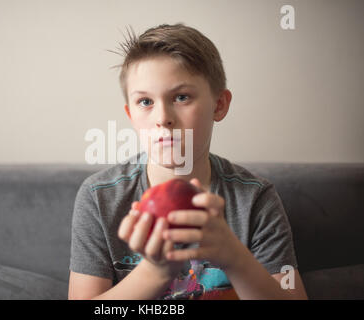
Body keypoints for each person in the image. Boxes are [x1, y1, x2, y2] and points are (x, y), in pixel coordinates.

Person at [68, 23, 308, 300]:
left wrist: (235, 258)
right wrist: (156, 272)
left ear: (219, 105)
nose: (162, 118)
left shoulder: (254, 198)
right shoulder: (100, 197)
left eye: (181, 97)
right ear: (131, 115)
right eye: (145, 102)